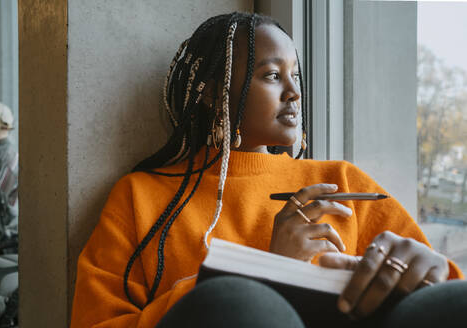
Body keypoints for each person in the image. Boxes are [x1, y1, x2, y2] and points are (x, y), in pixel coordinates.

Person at [70, 12, 466, 328]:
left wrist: (433, 272)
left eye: (295, 75)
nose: (294, 92)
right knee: (237, 305)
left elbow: (441, 290)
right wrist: (265, 270)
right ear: (212, 92)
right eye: (273, 76)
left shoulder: (342, 182)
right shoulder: (140, 196)